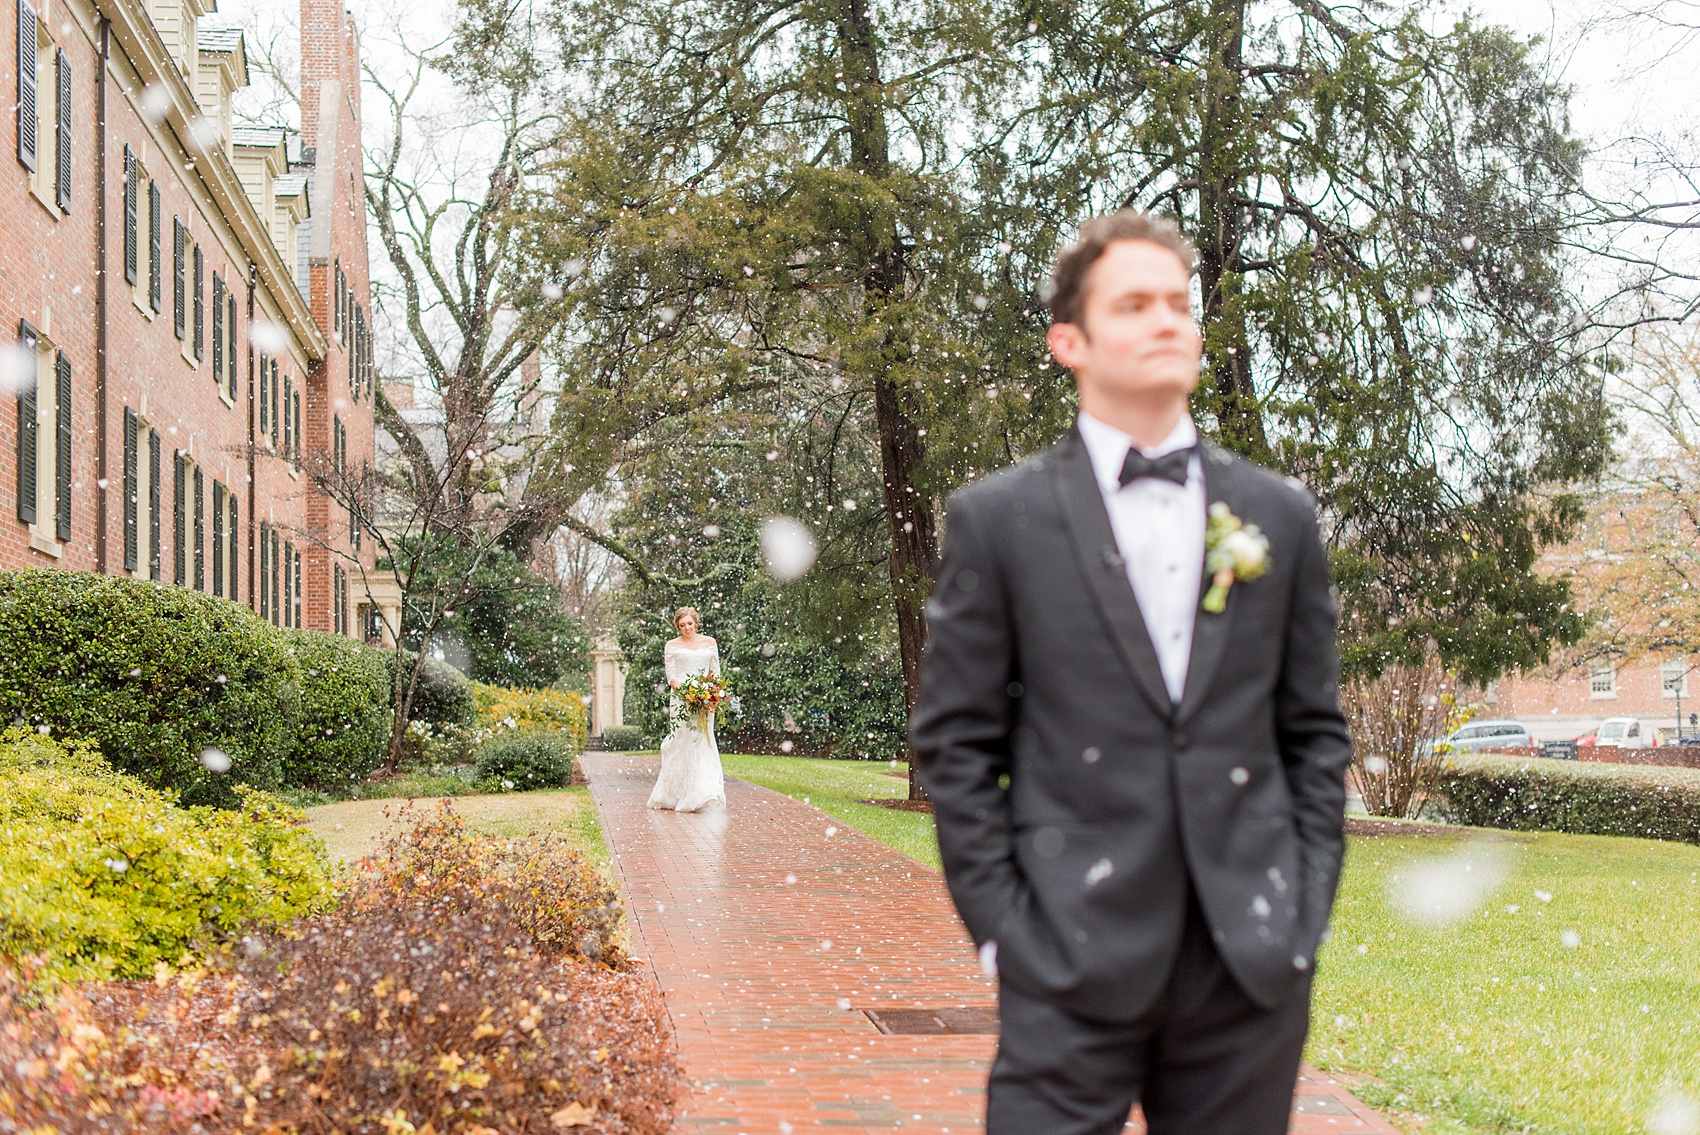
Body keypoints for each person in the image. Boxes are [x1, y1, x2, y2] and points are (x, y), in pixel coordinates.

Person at [910, 211, 1351, 1135]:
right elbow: (955, 743)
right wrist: (1005, 933)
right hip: (1066, 955)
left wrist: (1300, 914)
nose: (1168, 322)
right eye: (1136, 303)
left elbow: (1312, 733)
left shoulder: (1279, 514)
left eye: (1180, 304)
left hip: (1247, 969)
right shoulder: (999, 521)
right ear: (1068, 340)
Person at [648, 605, 727, 812]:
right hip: (681, 700)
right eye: (682, 625)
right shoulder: (671, 645)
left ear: (696, 622)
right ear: (677, 626)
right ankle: (677, 794)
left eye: (689, 623)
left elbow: (715, 673)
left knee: (703, 740)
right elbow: (672, 677)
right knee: (682, 741)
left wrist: (711, 697)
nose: (687, 628)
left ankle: (704, 793)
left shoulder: (710, 643)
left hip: (705, 700)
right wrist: (687, 694)